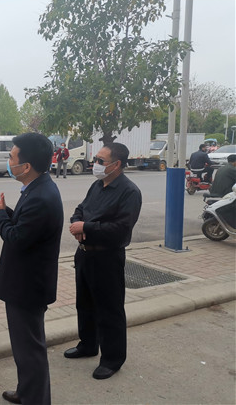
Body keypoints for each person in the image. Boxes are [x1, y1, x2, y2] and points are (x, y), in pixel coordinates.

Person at [0, 133, 63, 405]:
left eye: (11, 157)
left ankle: (36, 399)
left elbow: (16, 238)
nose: (8, 161)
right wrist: (6, 212)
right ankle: (27, 391)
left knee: (30, 350)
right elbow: (27, 228)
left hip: (28, 287)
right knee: (25, 348)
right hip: (26, 284)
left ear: (26, 166)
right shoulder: (38, 188)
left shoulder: (41, 196)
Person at [65, 142, 142, 380]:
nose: (95, 164)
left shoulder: (129, 192)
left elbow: (121, 230)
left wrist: (86, 227)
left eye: (100, 161)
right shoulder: (97, 185)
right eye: (95, 159)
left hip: (107, 257)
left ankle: (112, 359)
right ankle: (88, 344)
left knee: (109, 310)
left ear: (116, 164)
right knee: (84, 304)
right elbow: (80, 209)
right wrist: (77, 224)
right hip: (85, 253)